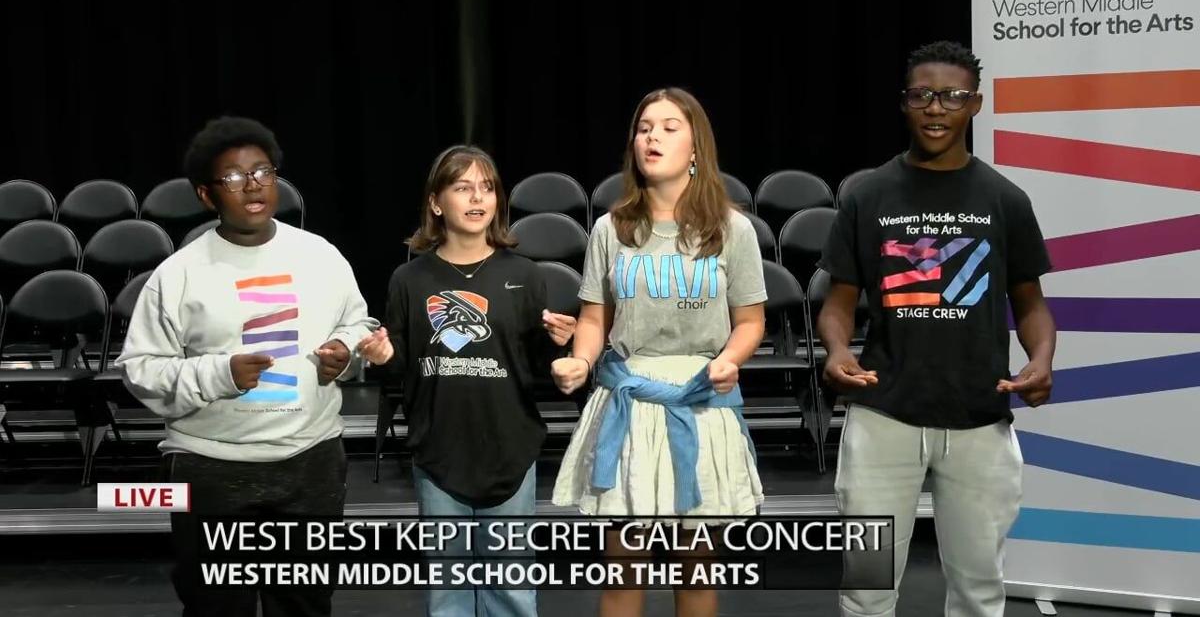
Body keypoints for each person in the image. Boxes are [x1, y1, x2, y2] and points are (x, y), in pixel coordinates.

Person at [816, 41, 1057, 617]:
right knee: (865, 585)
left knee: (979, 591)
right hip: (883, 412)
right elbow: (838, 299)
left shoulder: (1004, 198)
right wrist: (835, 348)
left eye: (951, 96)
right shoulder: (868, 195)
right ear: (904, 103)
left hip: (979, 415)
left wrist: (1041, 357)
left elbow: (1030, 302)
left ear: (974, 104)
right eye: (922, 94)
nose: (935, 108)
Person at [118, 116, 389, 617]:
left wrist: (343, 353)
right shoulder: (177, 274)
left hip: (309, 461)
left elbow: (358, 323)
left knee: (304, 605)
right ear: (207, 195)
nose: (254, 186)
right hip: (210, 468)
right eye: (235, 177)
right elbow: (140, 369)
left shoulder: (321, 255)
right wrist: (217, 374)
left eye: (262, 172)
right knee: (216, 607)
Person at [550, 88, 766, 617]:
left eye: (670, 127)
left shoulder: (731, 229)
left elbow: (751, 321)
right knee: (624, 574)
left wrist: (731, 359)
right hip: (630, 402)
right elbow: (596, 317)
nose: (653, 137)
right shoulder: (611, 228)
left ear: (696, 147)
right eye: (645, 127)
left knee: (696, 573)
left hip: (700, 401)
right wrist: (581, 359)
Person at [360, 145, 576, 617]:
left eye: (487, 187)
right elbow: (399, 366)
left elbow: (536, 366)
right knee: (449, 592)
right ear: (437, 203)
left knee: (511, 591)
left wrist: (558, 346)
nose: (478, 197)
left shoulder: (524, 274)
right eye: (462, 187)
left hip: (509, 449)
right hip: (439, 451)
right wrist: (383, 356)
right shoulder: (409, 279)